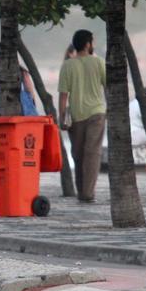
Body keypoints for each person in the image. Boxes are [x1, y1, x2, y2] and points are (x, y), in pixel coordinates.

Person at [58, 30, 106, 203]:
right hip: (96, 113)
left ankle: (85, 193)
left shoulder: (67, 65)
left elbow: (63, 95)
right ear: (88, 44)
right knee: (90, 154)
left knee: (79, 154)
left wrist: (62, 117)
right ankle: (85, 193)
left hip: (79, 115)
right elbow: (108, 88)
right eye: (92, 42)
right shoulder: (99, 62)